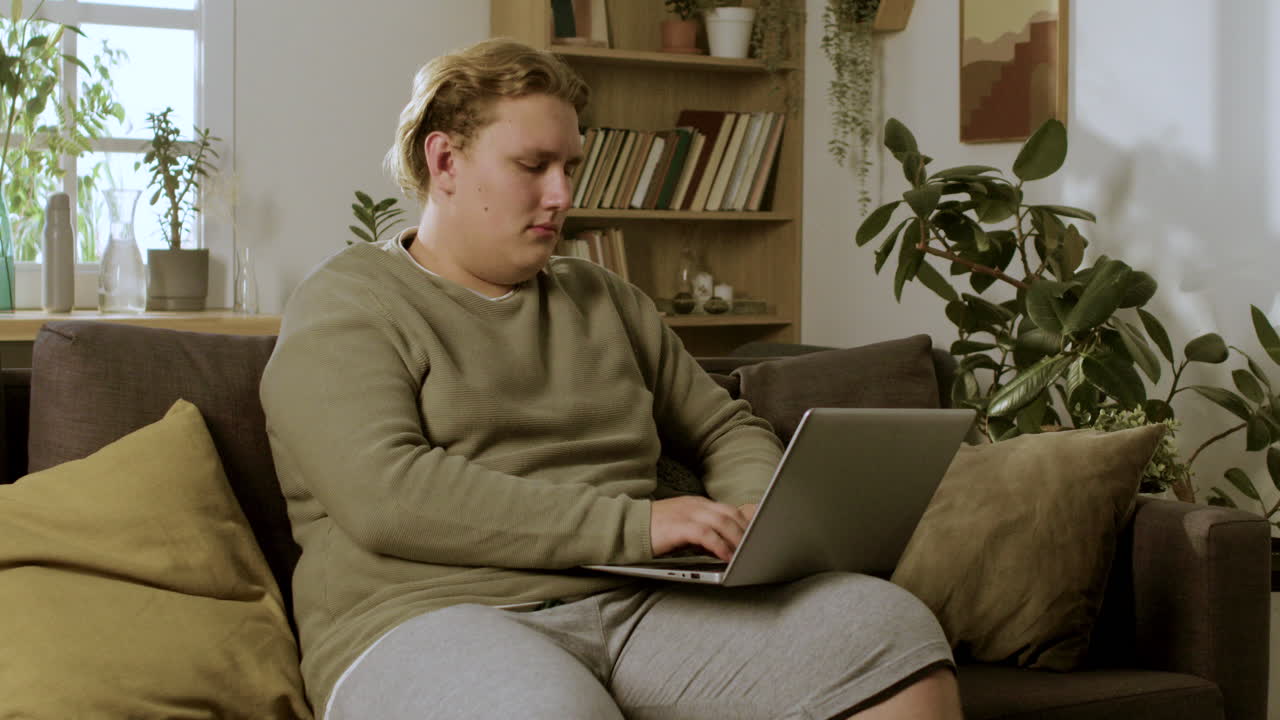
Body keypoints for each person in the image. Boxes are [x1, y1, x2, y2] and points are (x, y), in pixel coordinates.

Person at [260, 38, 963, 720]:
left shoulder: (602, 297)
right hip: (425, 615)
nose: (562, 193)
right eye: (533, 165)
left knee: (884, 631)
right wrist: (641, 525)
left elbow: (722, 426)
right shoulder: (349, 302)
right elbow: (389, 495)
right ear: (444, 160)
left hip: (639, 603)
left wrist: (757, 516)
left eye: (570, 166)